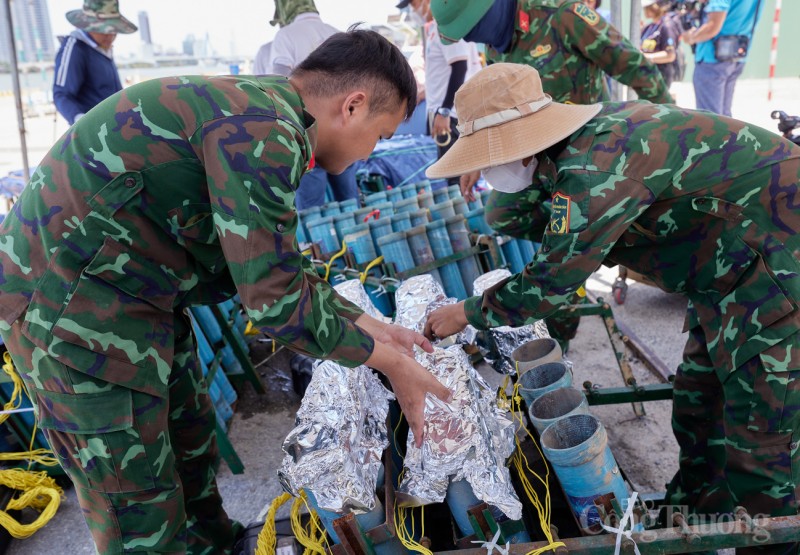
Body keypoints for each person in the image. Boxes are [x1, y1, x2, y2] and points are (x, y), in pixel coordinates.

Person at [0, 29, 450, 554]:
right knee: (137, 506)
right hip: (71, 312)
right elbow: (277, 303)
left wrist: (373, 327)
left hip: (134, 295)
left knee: (189, 445)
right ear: (352, 106)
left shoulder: (268, 110)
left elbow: (274, 267)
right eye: (381, 134)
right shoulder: (263, 131)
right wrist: (392, 364)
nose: (374, 150)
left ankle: (217, 547)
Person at [425, 62, 800, 555]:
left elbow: (551, 281)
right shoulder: (577, 146)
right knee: (698, 407)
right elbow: (512, 214)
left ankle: (772, 544)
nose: (488, 169)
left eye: (490, 155)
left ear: (521, 142)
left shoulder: (594, 169)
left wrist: (468, 313)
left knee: (760, 444)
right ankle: (694, 527)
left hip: (778, 266)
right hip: (728, 272)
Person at [431, 0, 673, 350]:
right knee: (502, 212)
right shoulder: (495, 45)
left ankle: (581, 254)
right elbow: (499, 113)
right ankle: (573, 261)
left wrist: (665, 138)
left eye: (471, 30)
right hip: (538, 162)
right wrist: (476, 159)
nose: (471, 40)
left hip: (593, 161)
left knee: (573, 239)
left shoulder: (562, 15)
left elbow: (636, 68)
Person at [268, 0, 359, 210]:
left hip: (309, 132)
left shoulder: (286, 35)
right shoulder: (340, 35)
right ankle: (357, 242)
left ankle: (319, 243)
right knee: (350, 202)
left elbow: (279, 85)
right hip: (345, 130)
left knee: (312, 210)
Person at [400, 0, 482, 187]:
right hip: (448, 114)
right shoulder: (434, 29)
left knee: (457, 178)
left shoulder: (448, 27)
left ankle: (465, 215)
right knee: (454, 177)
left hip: (453, 116)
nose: (414, 10)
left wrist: (444, 111)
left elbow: (459, 68)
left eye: (415, 4)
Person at [53, 0, 137, 125]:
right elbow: (62, 94)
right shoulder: (75, 48)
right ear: (89, 25)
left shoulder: (104, 49)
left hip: (116, 125)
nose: (110, 36)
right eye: (105, 31)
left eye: (114, 31)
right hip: (95, 129)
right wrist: (82, 123)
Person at [682, 0, 764, 117]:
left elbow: (713, 26)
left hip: (712, 58)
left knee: (710, 120)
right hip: (737, 56)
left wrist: (691, 37)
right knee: (725, 118)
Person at [641, 0, 682, 88]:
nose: (645, 10)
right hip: (647, 75)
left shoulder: (667, 26)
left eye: (648, 7)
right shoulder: (649, 27)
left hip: (660, 76)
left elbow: (670, 55)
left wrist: (645, 57)